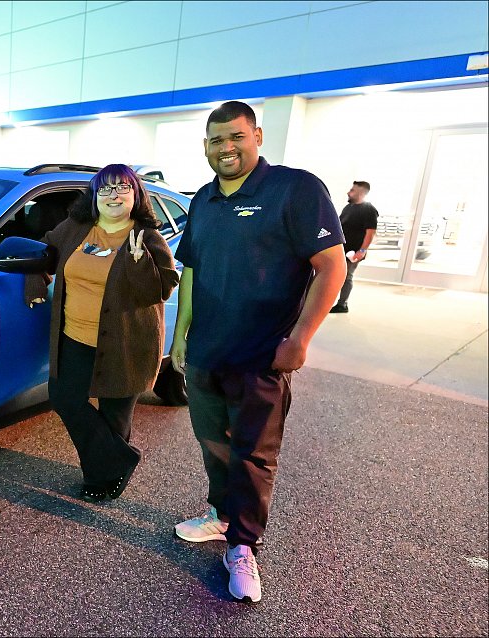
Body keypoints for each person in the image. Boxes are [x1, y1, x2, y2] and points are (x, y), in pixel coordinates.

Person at [169, 101, 346, 603]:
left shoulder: (295, 189)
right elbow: (192, 271)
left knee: (254, 455)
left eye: (235, 137)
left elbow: (331, 267)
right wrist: (181, 334)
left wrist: (301, 339)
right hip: (206, 352)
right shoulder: (203, 199)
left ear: (258, 136)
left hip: (261, 355)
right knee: (214, 444)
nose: (226, 147)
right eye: (215, 140)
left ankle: (243, 546)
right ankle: (222, 516)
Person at [26, 164, 180, 503]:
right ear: (95, 196)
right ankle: (120, 461)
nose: (113, 195)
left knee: (115, 414)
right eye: (105, 188)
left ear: (135, 195)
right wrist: (35, 279)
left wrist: (139, 260)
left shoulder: (146, 236)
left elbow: (160, 289)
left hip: (127, 343)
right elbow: (44, 251)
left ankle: (102, 477)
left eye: (122, 188)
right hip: (75, 337)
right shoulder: (76, 228)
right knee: (65, 397)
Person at [330, 181, 378, 313]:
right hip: (341, 249)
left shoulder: (369, 210)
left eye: (352, 190)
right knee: (336, 276)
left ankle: (342, 304)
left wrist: (362, 251)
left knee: (347, 277)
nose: (348, 192)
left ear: (361, 193)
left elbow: (370, 232)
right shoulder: (348, 208)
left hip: (354, 251)